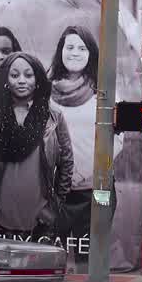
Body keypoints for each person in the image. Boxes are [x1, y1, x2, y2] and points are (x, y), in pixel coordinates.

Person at [0, 52, 72, 241]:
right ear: (6, 78)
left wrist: (53, 207)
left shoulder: (53, 117)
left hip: (39, 221)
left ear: (37, 79)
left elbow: (67, 164)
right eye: (14, 75)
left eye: (28, 75)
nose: (21, 80)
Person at [49, 24, 100, 245]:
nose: (75, 53)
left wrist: (81, 173)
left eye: (82, 48)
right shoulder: (45, 91)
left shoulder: (104, 91)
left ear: (91, 54)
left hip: (91, 190)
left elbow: (117, 140)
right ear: (61, 51)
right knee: (52, 254)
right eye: (69, 47)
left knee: (86, 259)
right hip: (53, 191)